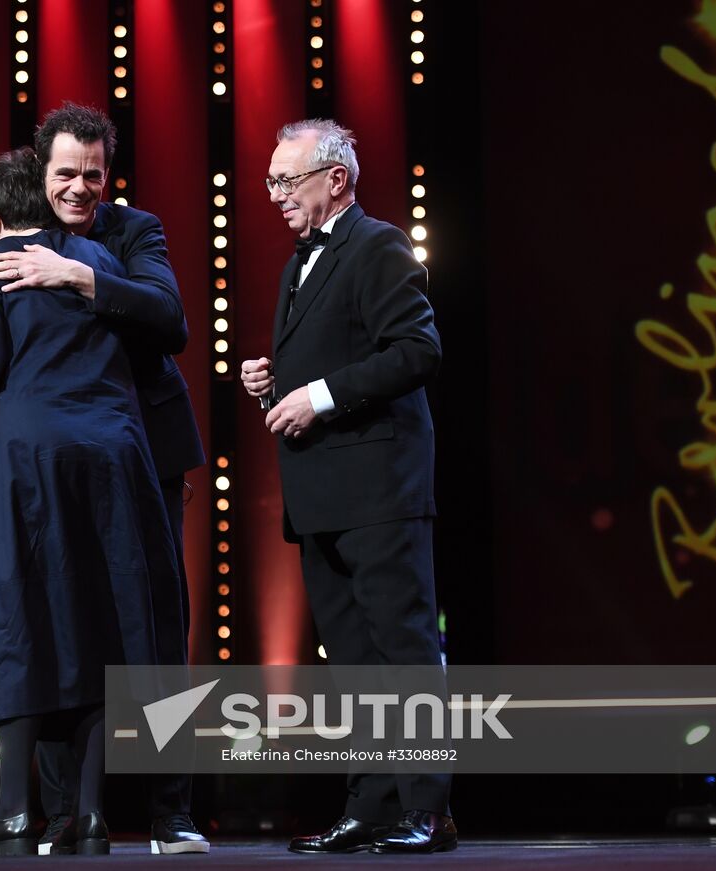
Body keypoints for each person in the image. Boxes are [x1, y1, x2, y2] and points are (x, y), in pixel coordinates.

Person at [0, 102, 208, 856]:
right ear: (40, 175)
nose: (80, 188)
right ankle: (71, 810)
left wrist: (74, 273)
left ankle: (170, 809)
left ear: (109, 176)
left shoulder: (125, 235)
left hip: (125, 453)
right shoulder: (28, 247)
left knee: (141, 624)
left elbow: (171, 320)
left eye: (93, 176)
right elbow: (1, 347)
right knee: (71, 619)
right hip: (93, 444)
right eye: (66, 174)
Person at [239, 119, 454, 854]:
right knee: (356, 662)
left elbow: (417, 350)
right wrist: (276, 384)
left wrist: (320, 395)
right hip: (323, 492)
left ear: (335, 180)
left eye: (287, 180)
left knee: (403, 649)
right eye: (270, 181)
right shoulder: (297, 263)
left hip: (379, 487)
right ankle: (372, 803)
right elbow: (334, 357)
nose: (275, 194)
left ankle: (427, 808)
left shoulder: (378, 244)